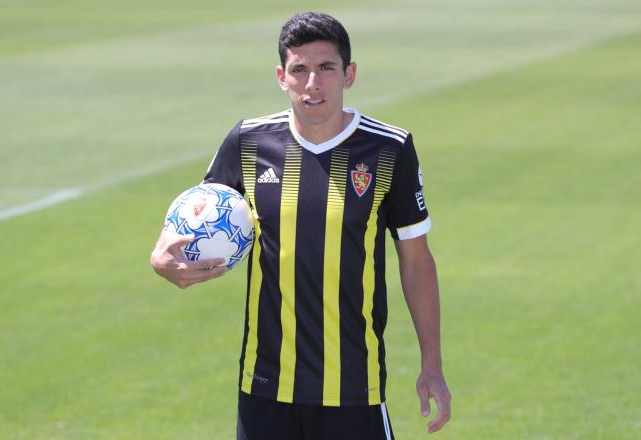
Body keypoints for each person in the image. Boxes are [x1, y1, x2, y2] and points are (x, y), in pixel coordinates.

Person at [151, 11, 451, 439]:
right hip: (264, 385)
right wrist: (161, 256)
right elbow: (197, 213)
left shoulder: (389, 149)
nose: (313, 83)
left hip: (353, 386)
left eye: (326, 68)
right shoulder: (249, 141)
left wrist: (432, 364)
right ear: (281, 76)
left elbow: (416, 260)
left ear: (349, 74)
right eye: (300, 70)